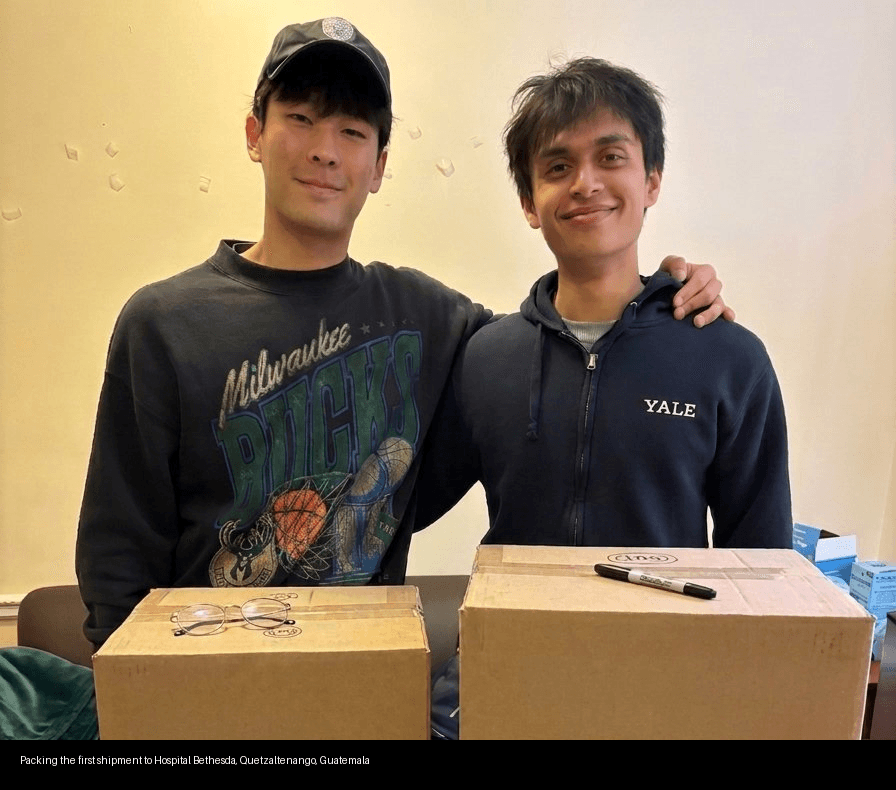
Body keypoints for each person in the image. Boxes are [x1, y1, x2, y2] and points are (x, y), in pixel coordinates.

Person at [75, 19, 731, 648]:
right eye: (299, 118)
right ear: (255, 134)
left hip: (364, 675)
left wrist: (660, 296)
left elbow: (559, 349)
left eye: (352, 130)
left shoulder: (425, 316)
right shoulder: (163, 324)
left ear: (380, 164)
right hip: (205, 676)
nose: (325, 150)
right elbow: (116, 561)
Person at [417, 58, 792, 550]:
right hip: (512, 625)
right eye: (558, 167)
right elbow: (402, 508)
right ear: (530, 204)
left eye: (611, 157)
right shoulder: (485, 358)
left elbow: (762, 563)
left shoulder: (729, 358)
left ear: (652, 180)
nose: (585, 183)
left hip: (666, 627)